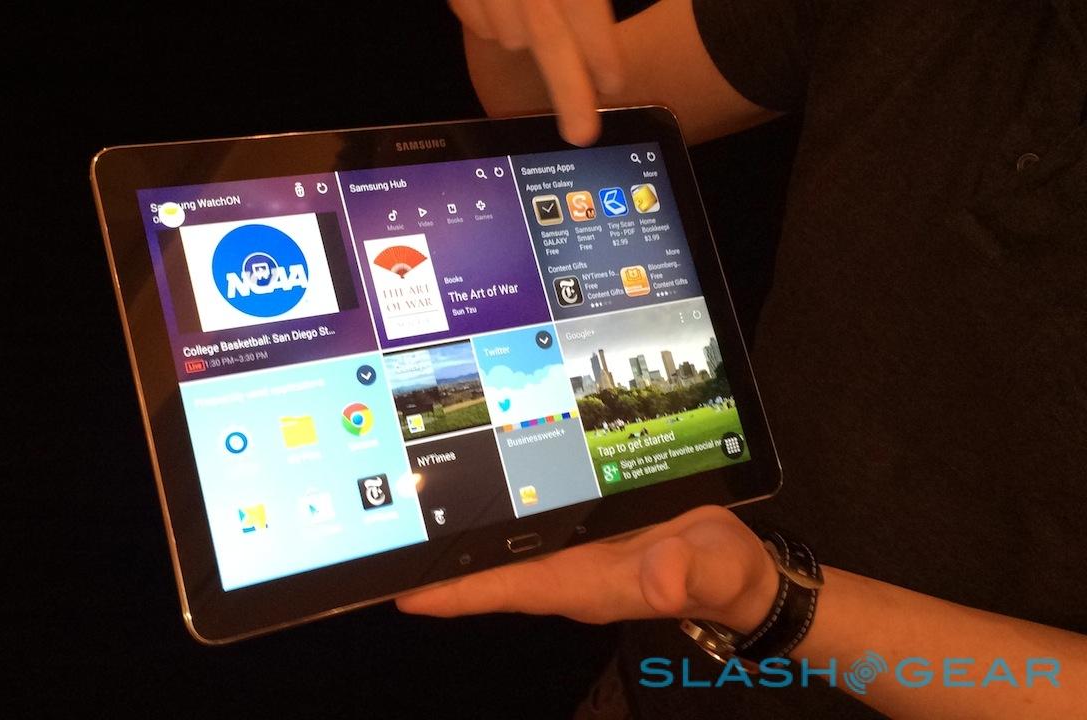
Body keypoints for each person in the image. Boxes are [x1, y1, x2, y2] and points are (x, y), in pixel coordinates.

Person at [398, 1, 1087, 718]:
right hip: (663, 664)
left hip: (734, 611)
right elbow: (548, 108)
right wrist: (512, 19)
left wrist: (771, 600)